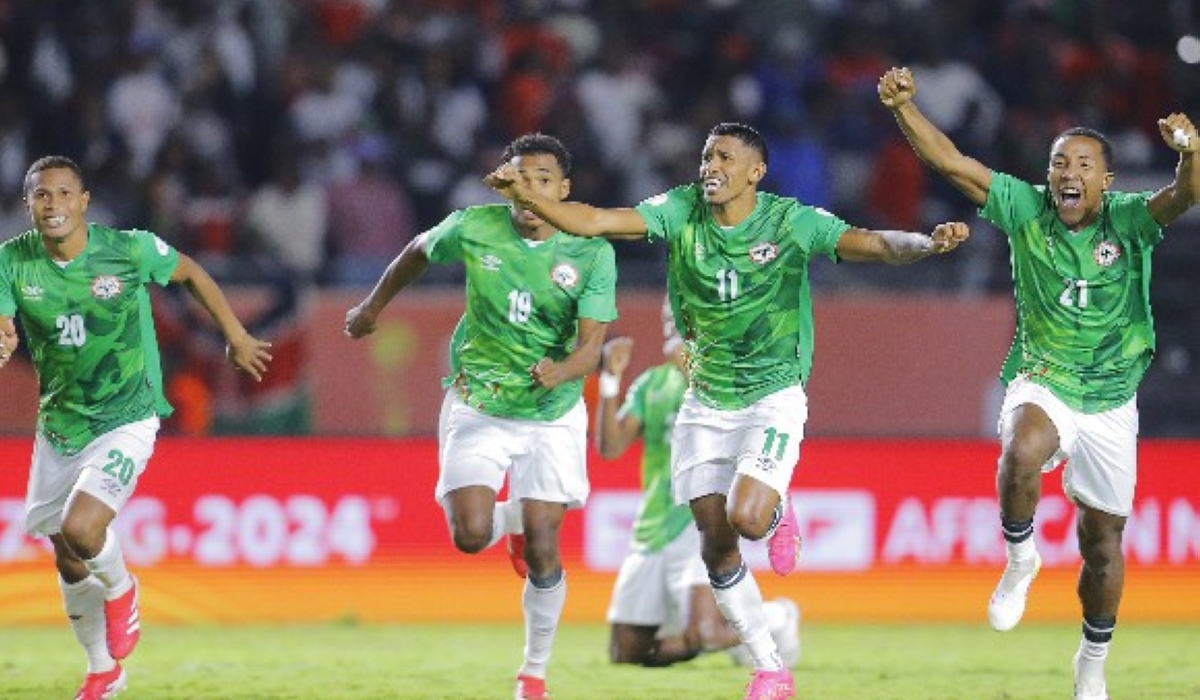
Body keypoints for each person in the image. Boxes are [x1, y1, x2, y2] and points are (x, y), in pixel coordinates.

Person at [486, 122, 969, 700]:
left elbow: (871, 243)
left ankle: (773, 506)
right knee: (717, 546)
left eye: (726, 157)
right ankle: (770, 668)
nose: (711, 164)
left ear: (755, 172)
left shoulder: (789, 221)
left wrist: (927, 243)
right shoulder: (680, 210)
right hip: (704, 403)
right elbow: (596, 221)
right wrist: (524, 194)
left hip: (772, 395)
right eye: (707, 154)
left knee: (745, 516)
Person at [878, 66, 1200, 700]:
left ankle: (1091, 664)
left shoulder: (1130, 221)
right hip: (1042, 375)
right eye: (1059, 163)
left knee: (1102, 545)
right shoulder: (1025, 208)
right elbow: (954, 165)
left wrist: (1191, 151)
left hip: (1110, 397)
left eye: (1083, 164)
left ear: (1106, 182)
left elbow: (1185, 195)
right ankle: (1021, 558)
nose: (1068, 173)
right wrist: (904, 108)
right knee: (1021, 448)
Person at [344, 133, 618, 700]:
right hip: (480, 403)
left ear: (563, 189)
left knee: (545, 545)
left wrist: (564, 370)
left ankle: (533, 673)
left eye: (543, 178)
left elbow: (592, 347)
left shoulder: (591, 249)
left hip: (551, 411)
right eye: (519, 177)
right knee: (469, 535)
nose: (529, 188)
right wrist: (371, 307)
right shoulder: (474, 225)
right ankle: (512, 520)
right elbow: (416, 251)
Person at [0, 155, 273, 700]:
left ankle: (124, 589)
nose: (52, 205)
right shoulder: (12, 261)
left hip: (127, 415)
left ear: (84, 202)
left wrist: (236, 334)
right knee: (67, 554)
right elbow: (1, 320)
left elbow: (191, 272)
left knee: (82, 529)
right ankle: (103, 671)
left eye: (62, 194)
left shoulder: (127, 250)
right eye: (40, 196)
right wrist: (3, 337)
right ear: (28, 205)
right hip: (59, 423)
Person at [597, 302, 799, 669]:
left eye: (678, 316)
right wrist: (609, 381)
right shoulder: (653, 384)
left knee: (704, 634)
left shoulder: (729, 379)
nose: (670, 325)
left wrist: (692, 359)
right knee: (626, 655)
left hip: (698, 521)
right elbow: (610, 448)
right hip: (653, 529)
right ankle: (742, 621)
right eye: (666, 319)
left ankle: (777, 619)